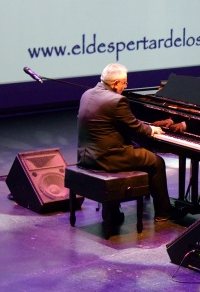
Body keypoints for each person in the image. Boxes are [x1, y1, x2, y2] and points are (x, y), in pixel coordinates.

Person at [76, 63, 186, 223]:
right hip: (108, 157)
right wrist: (152, 130)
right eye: (124, 83)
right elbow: (134, 127)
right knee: (157, 162)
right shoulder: (117, 100)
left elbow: (124, 121)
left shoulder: (87, 94)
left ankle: (113, 212)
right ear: (115, 84)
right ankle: (164, 212)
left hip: (86, 155)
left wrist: (150, 125)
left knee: (140, 150)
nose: (126, 86)